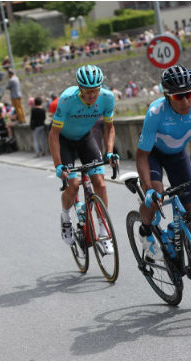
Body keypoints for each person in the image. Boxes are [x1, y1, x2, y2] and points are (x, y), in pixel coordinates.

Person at [136, 64, 191, 288]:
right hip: (152, 155)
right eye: (178, 96)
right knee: (157, 195)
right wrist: (147, 188)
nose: (185, 101)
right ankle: (145, 230)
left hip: (178, 155)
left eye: (189, 94)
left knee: (190, 210)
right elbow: (141, 156)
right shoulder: (155, 113)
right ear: (166, 96)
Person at [48, 64, 119, 254]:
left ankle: (104, 230)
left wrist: (110, 152)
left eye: (95, 91)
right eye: (87, 92)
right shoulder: (67, 99)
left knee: (100, 184)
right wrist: (58, 165)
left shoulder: (107, 97)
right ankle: (65, 217)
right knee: (73, 184)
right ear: (80, 88)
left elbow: (109, 127)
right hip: (64, 141)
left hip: (85, 139)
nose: (91, 96)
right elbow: (53, 134)